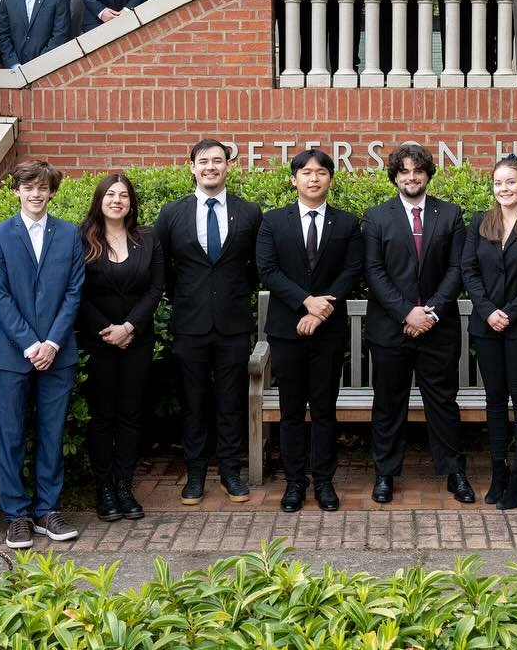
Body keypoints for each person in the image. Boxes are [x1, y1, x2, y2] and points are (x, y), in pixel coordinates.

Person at [0, 160, 86, 549]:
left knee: (52, 433)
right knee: (11, 434)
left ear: (52, 192)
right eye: (28, 187)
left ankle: (47, 510)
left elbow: (74, 291)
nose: (36, 194)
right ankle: (16, 515)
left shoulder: (69, 234)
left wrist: (53, 343)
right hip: (11, 354)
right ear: (16, 191)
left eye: (43, 188)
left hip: (58, 353)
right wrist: (30, 343)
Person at [256, 149, 364, 513]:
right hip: (287, 331)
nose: (313, 178)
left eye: (321, 172)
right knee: (290, 411)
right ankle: (294, 483)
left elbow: (352, 272)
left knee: (323, 410)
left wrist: (320, 312)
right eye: (306, 172)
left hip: (328, 331)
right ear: (294, 179)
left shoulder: (347, 224)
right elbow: (268, 270)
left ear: (330, 179)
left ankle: (323, 482)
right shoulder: (273, 222)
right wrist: (306, 301)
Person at [154, 139, 262, 504]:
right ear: (191, 167)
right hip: (190, 324)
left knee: (231, 401)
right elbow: (162, 270)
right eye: (204, 161)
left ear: (228, 166)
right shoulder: (172, 215)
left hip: (232, 324)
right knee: (193, 401)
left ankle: (231, 471)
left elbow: (256, 270)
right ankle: (196, 473)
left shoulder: (249, 213)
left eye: (218, 161)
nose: (211, 167)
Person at [363, 143, 472, 505]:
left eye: (418, 171)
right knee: (388, 403)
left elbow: (457, 268)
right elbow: (374, 272)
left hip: (438, 330)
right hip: (391, 328)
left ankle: (455, 473)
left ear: (427, 174)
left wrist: (431, 312)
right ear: (395, 175)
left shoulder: (450, 214)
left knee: (443, 402)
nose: (411, 177)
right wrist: (406, 313)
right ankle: (385, 475)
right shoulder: (377, 217)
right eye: (404, 171)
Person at [461, 155, 517, 510]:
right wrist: (487, 311)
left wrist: (510, 313)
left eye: (511, 182)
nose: (504, 189)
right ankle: (498, 470)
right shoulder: (480, 223)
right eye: (498, 183)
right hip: (486, 328)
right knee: (495, 400)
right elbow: (468, 270)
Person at [76, 173, 165, 522]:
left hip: (136, 341)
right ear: (100, 200)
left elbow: (156, 287)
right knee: (101, 417)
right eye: (110, 194)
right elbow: (76, 291)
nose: (117, 200)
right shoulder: (82, 239)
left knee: (130, 415)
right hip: (96, 341)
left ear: (131, 202)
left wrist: (129, 327)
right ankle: (104, 489)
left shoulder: (148, 238)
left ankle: (125, 486)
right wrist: (106, 329)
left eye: (123, 195)